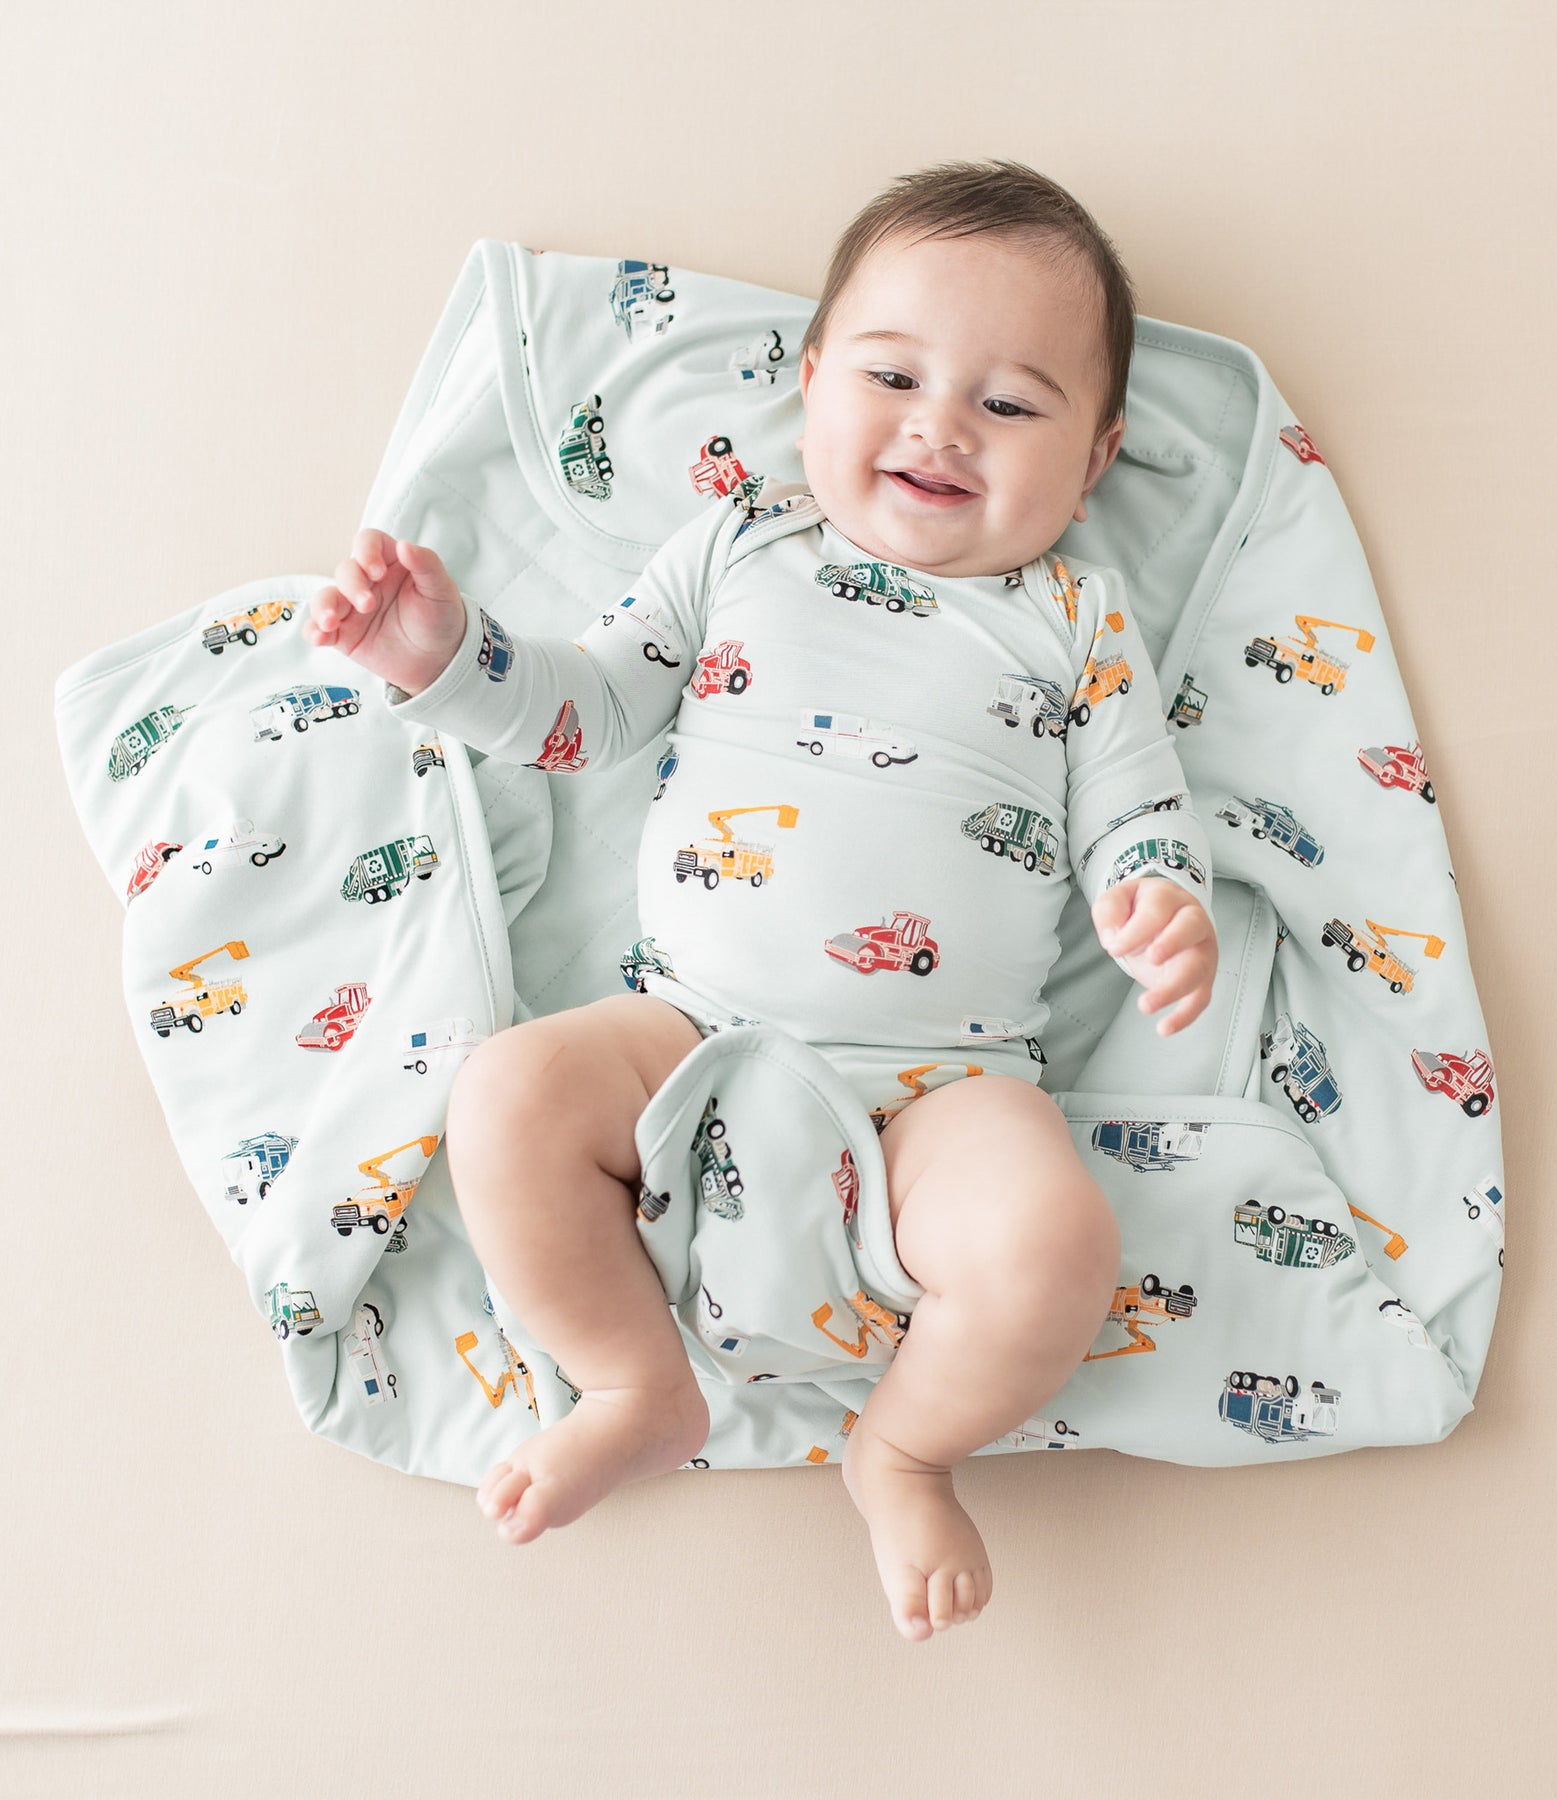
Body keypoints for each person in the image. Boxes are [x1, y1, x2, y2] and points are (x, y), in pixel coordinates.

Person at [303, 159, 1219, 1642]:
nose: (940, 426)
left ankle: (905, 1446)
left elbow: (1136, 812)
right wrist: (442, 655)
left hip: (946, 1086)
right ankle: (634, 1379)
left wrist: (1156, 899)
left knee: (1055, 1242)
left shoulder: (1080, 623)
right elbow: (584, 713)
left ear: (1098, 456)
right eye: (895, 374)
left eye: (1011, 403)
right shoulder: (742, 545)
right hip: (686, 1033)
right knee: (510, 1095)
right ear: (810, 381)